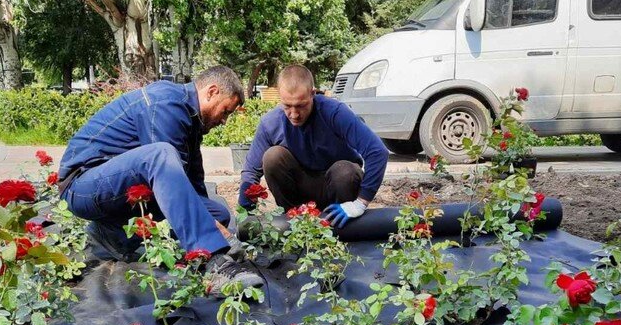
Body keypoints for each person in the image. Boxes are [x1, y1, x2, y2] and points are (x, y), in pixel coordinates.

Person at [57, 66, 262, 290]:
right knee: (160, 154)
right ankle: (214, 264)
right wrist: (219, 243)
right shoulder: (166, 104)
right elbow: (167, 180)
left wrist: (220, 229)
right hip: (82, 185)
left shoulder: (191, 120)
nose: (224, 121)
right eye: (225, 112)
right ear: (211, 92)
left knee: (217, 213)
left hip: (114, 189)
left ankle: (113, 234)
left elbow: (193, 185)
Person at [237, 65, 389, 227]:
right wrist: (245, 215)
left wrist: (360, 202)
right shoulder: (271, 123)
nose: (294, 114)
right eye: (287, 106)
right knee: (273, 157)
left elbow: (377, 151)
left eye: (301, 105)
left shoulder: (335, 113)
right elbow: (250, 173)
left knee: (346, 171)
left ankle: (342, 226)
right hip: (300, 190)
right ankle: (293, 223)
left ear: (313, 94)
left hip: (338, 189)